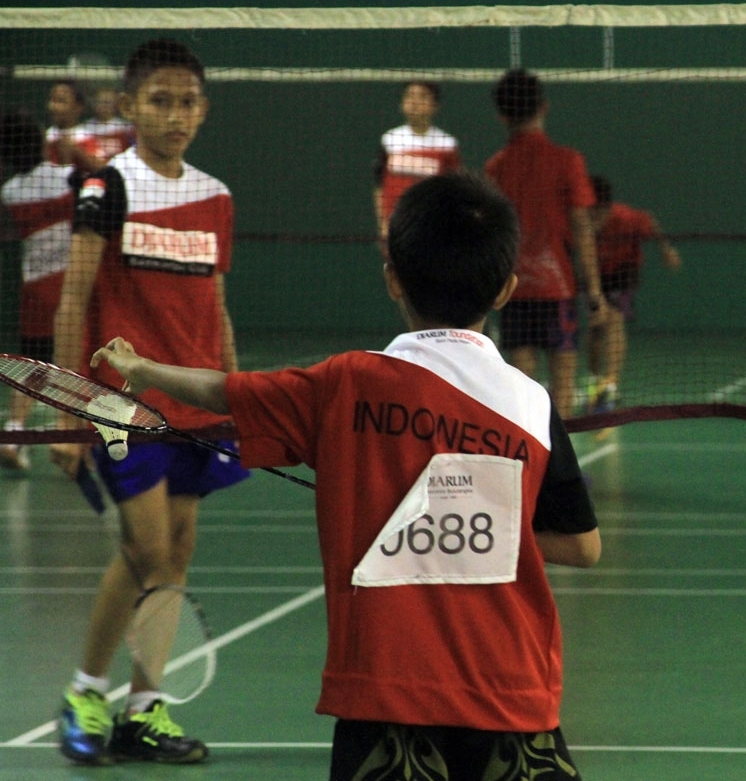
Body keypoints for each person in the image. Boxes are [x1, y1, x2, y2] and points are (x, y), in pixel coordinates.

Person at [92, 170, 602, 781]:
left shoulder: (345, 383)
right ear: (506, 290)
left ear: (392, 278)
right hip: (512, 693)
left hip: (385, 696)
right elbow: (582, 547)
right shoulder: (531, 405)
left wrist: (144, 369)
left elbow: (224, 391)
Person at [49, 38, 249, 765]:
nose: (176, 115)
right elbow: (73, 301)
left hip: (197, 403)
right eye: (160, 101)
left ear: (204, 109)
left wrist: (239, 392)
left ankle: (144, 707)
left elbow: (216, 307)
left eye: (188, 102)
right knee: (145, 549)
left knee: (178, 550)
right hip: (122, 407)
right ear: (130, 106)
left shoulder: (216, 196)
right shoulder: (106, 188)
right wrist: (66, 415)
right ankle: (84, 692)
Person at [485, 68, 607, 418]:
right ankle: (560, 452)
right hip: (557, 289)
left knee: (521, 385)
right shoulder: (568, 161)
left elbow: (492, 234)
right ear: (544, 107)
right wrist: (595, 292)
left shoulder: (495, 167)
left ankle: (527, 450)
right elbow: (582, 228)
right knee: (563, 384)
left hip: (513, 290)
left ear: (502, 115)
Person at [0, 111, 76, 470]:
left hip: (34, 287)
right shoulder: (67, 177)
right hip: (71, 285)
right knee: (79, 363)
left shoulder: (10, 192)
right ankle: (73, 438)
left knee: (33, 363)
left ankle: (14, 433)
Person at [584, 175, 681, 412]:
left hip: (623, 271)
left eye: (597, 213)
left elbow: (651, 223)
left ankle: (611, 385)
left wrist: (666, 249)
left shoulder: (628, 218)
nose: (594, 219)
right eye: (590, 213)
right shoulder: (579, 221)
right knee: (595, 330)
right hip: (595, 273)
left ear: (607, 208)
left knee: (614, 320)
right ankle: (595, 381)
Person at [372, 80, 461, 244]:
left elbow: (455, 190)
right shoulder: (390, 140)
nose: (414, 102)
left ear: (435, 105)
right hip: (398, 228)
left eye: (422, 97)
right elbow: (379, 186)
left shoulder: (446, 144)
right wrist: (383, 224)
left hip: (433, 229)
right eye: (409, 96)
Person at [45, 79, 106, 175]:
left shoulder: (86, 137)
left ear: (78, 107)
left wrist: (76, 150)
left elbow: (103, 169)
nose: (53, 106)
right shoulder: (46, 137)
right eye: (52, 100)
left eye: (61, 101)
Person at [83, 85, 136, 161]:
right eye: (101, 102)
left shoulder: (126, 128)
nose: (105, 106)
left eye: (109, 102)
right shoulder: (84, 129)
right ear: (94, 104)